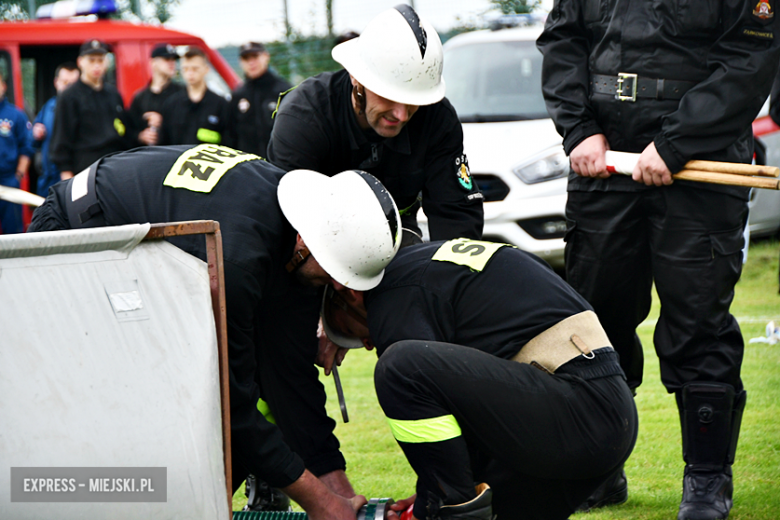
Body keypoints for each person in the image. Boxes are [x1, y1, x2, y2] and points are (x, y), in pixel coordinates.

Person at [28, 144, 403, 520]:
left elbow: (291, 380)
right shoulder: (239, 259)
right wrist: (319, 502)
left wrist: (340, 496)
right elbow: (230, 403)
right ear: (306, 241)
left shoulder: (297, 244)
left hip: (124, 241)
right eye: (337, 273)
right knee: (144, 413)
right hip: (78, 234)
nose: (339, 288)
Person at [537, 3, 780, 518]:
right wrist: (577, 128)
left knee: (698, 322)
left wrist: (675, 143)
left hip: (701, 161)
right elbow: (562, 41)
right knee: (591, 325)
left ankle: (708, 479)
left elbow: (751, 56)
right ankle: (597, 468)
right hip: (603, 163)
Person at [319, 239, 638, 520]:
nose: (366, 343)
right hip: (601, 417)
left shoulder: (393, 294)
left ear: (347, 290)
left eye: (348, 330)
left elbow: (418, 385)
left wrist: (438, 501)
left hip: (576, 413)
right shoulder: (431, 264)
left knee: (400, 367)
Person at [267, 5, 484, 241]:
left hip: (399, 235)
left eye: (412, 101)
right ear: (356, 78)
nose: (401, 115)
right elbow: (285, 221)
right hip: (319, 243)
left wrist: (450, 275)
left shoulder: (436, 116)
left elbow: (455, 215)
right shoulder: (304, 117)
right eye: (389, 96)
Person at [50, 39, 130, 180]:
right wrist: (67, 176)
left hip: (115, 169)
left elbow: (124, 130)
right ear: (80, 62)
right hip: (84, 171)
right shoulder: (69, 96)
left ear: (107, 62)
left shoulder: (113, 94)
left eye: (100, 60)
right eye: (91, 60)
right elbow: (61, 138)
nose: (96, 65)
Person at [224, 42, 291, 157]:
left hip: (279, 164)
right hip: (249, 167)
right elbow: (230, 136)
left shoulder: (284, 91)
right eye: (246, 58)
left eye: (255, 56)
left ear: (266, 57)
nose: (251, 62)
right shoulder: (238, 96)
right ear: (240, 62)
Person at [159, 47, 229, 146]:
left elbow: (229, 142)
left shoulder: (220, 105)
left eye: (195, 68)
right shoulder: (171, 104)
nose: (190, 73)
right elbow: (163, 143)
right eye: (185, 69)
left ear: (206, 69)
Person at [32, 62, 80, 197]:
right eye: (65, 82)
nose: (68, 87)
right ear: (56, 82)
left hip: (71, 177)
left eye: (73, 83)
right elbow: (31, 141)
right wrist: (36, 133)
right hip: (48, 178)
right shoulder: (49, 106)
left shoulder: (84, 109)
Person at [127, 43, 184, 147]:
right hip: (148, 157)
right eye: (166, 59)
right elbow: (128, 130)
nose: (172, 63)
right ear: (153, 63)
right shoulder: (140, 98)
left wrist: (164, 121)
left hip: (173, 154)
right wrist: (140, 136)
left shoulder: (182, 93)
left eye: (173, 60)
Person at [0, 70, 34, 234]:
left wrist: (18, 176)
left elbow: (26, 149)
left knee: (13, 231)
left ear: (4, 86)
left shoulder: (16, 115)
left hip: (9, 180)